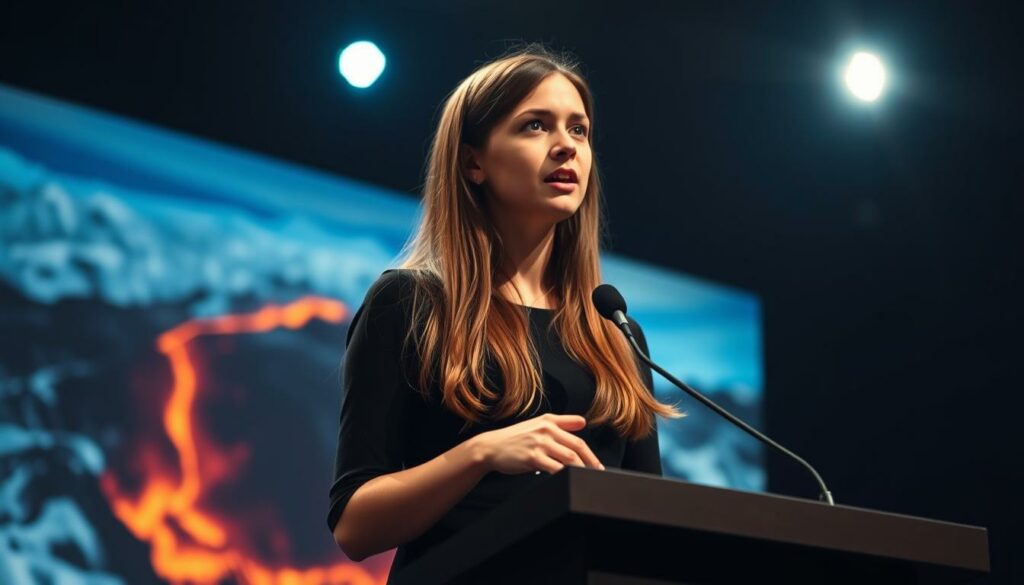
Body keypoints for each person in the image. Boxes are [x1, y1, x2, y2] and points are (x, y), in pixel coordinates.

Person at [327, 44, 684, 580]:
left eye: (579, 130)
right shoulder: (408, 304)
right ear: (474, 161)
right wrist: (480, 453)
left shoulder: (614, 330)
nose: (566, 146)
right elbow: (355, 526)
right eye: (536, 126)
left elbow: (646, 523)